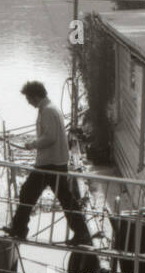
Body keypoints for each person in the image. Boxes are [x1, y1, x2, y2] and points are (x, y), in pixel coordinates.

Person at [5, 81, 92, 245]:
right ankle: (81, 232)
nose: (28, 102)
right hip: (55, 162)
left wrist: (33, 144)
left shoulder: (47, 111)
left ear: (36, 96)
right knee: (62, 198)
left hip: (50, 163)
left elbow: (50, 137)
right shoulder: (50, 108)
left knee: (29, 193)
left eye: (29, 98)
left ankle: (19, 229)